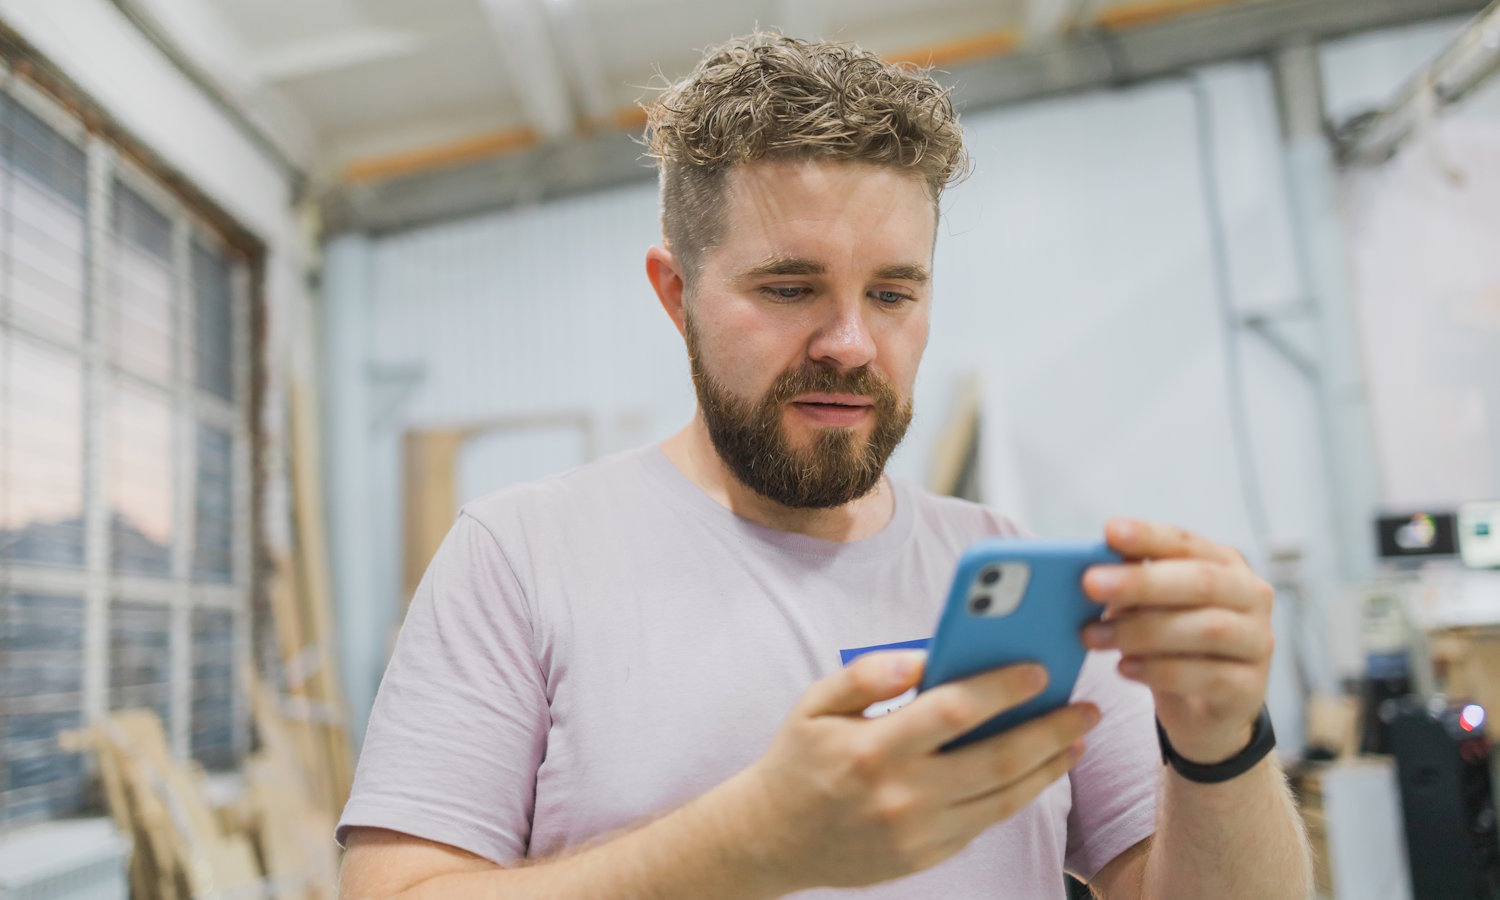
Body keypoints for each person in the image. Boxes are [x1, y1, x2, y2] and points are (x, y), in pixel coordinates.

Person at [336, 32, 1311, 899]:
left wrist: (1222, 740)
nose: (850, 342)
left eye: (892, 293)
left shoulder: (1017, 576)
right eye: (791, 286)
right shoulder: (519, 557)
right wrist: (751, 847)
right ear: (675, 294)